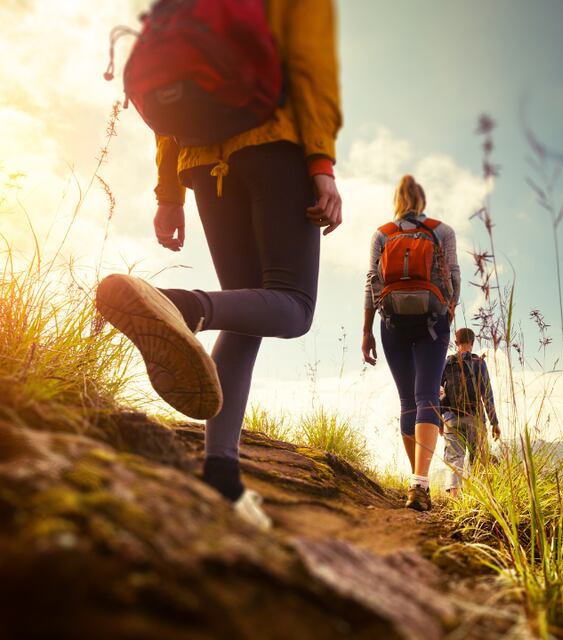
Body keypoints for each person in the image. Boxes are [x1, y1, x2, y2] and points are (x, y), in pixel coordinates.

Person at [95, 1, 342, 530]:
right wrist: (321, 165)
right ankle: (182, 307)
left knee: (246, 310)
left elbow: (172, 98)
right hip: (274, 144)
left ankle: (222, 477)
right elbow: (310, 66)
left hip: (203, 162)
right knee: (293, 307)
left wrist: (169, 194)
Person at [362, 175, 460, 512]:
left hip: (392, 324)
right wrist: (447, 313)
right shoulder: (441, 231)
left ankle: (417, 481)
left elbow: (371, 283)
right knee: (427, 397)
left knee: (407, 401)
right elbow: (455, 277)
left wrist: (367, 331)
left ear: (397, 201)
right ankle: (420, 480)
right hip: (432, 322)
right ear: (422, 200)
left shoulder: (382, 234)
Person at [441, 327, 500, 497]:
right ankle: (478, 498)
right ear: (472, 343)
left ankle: (455, 498)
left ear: (456, 342)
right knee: (479, 458)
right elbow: (486, 393)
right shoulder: (478, 362)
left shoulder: (446, 363)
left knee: (454, 457)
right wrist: (494, 422)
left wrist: (439, 421)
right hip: (475, 418)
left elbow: (438, 392)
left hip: (451, 418)